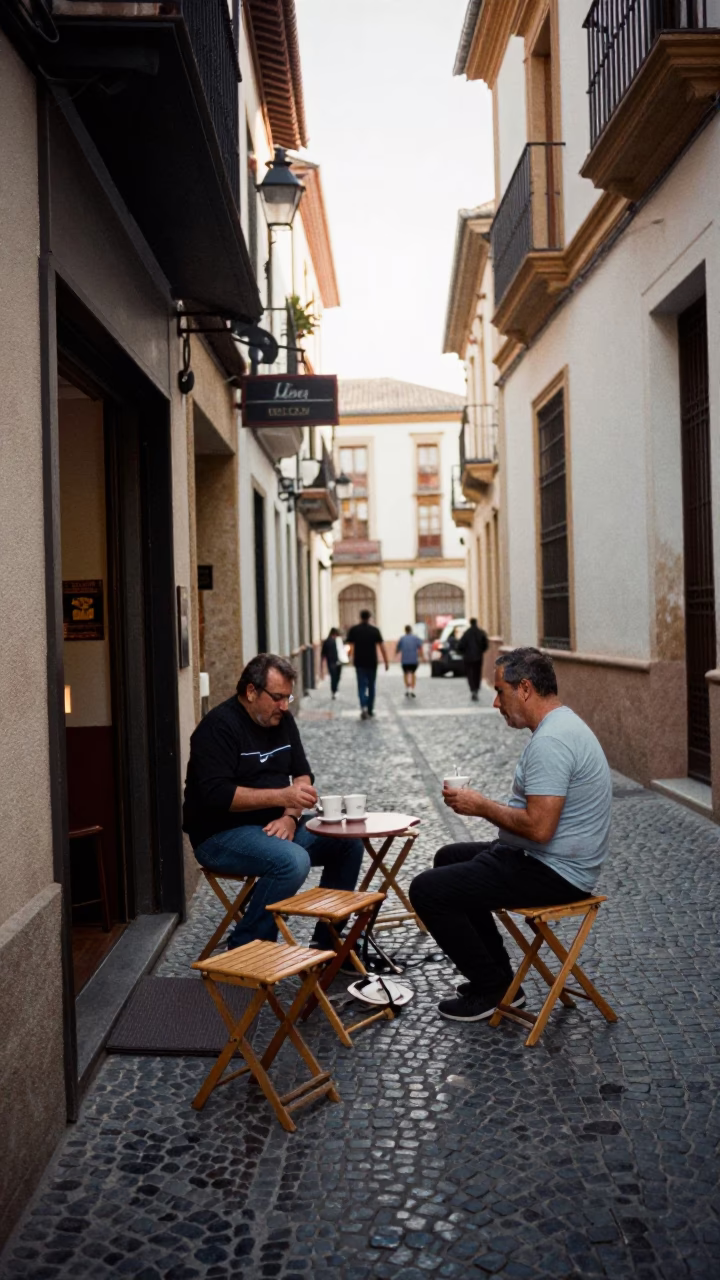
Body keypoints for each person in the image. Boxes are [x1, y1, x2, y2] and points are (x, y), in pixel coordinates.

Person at [409, 647, 612, 1023]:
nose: (495, 702)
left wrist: (482, 806)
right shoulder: (561, 725)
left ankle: (490, 988)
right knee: (449, 857)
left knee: (426, 890)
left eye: (500, 691)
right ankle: (502, 980)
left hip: (555, 872)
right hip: (544, 858)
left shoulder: (552, 742)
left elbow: (538, 827)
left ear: (525, 689)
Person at [182, 653, 364, 950]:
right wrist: (283, 796)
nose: (284, 705)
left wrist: (290, 817)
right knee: (291, 861)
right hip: (219, 834)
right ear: (251, 692)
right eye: (278, 697)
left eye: (288, 698)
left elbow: (303, 776)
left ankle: (328, 944)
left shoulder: (283, 720)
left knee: (347, 842)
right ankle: (248, 945)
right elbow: (219, 796)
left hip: (276, 826)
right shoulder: (217, 727)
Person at [346, 609, 389, 720]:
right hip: (372, 662)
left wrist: (349, 657)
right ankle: (370, 709)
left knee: (361, 686)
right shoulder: (374, 630)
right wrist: (386, 662)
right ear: (369, 617)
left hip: (359, 662)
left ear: (360, 617)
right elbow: (382, 647)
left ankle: (363, 707)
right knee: (371, 686)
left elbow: (350, 647)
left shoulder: (354, 630)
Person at [458, 618, 489, 701]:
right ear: (476, 623)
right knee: (477, 673)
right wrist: (481, 651)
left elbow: (460, 645)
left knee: (470, 674)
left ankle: (472, 689)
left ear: (470, 623)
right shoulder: (481, 633)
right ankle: (476, 688)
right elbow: (485, 645)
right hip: (478, 657)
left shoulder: (466, 633)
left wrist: (463, 652)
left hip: (468, 658)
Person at [396, 624, 424, 698]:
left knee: (405, 674)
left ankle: (407, 688)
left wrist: (395, 656)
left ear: (405, 630)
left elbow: (398, 649)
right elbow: (420, 648)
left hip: (405, 660)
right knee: (413, 673)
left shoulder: (402, 638)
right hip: (413, 660)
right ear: (411, 630)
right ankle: (412, 689)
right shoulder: (415, 638)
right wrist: (422, 657)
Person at [321, 626, 343, 699]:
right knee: (335, 677)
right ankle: (334, 690)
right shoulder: (331, 641)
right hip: (334, 661)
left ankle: (335, 690)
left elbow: (323, 653)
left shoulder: (331, 641)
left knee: (335, 677)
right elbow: (324, 653)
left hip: (333, 662)